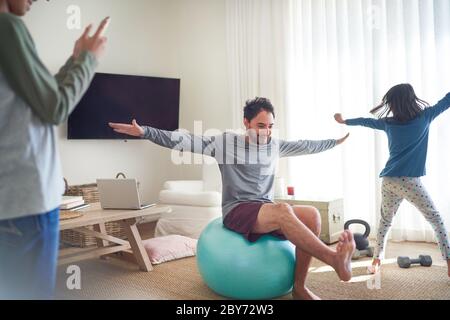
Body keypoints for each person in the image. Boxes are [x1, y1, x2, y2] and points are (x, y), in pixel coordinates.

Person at [109, 97, 356, 300]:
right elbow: (185, 141)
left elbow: (305, 146)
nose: (267, 132)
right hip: (238, 210)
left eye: (270, 126)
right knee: (283, 210)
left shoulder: (274, 145)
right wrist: (145, 132)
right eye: (261, 126)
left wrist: (334, 142)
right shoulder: (225, 143)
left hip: (265, 210)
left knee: (311, 214)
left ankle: (300, 288)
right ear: (246, 123)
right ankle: (333, 258)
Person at [0, 0, 108, 299]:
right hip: (28, 205)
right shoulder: (8, 27)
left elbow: (39, 100)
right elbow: (56, 108)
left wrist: (74, 62)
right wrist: (88, 60)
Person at [335, 83, 450, 277]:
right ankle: (449, 265)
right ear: (412, 100)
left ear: (394, 104)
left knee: (385, 221)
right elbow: (446, 101)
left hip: (388, 180)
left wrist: (345, 121)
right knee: (436, 219)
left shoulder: (389, 123)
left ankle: (376, 261)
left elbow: (366, 121)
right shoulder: (425, 117)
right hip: (409, 181)